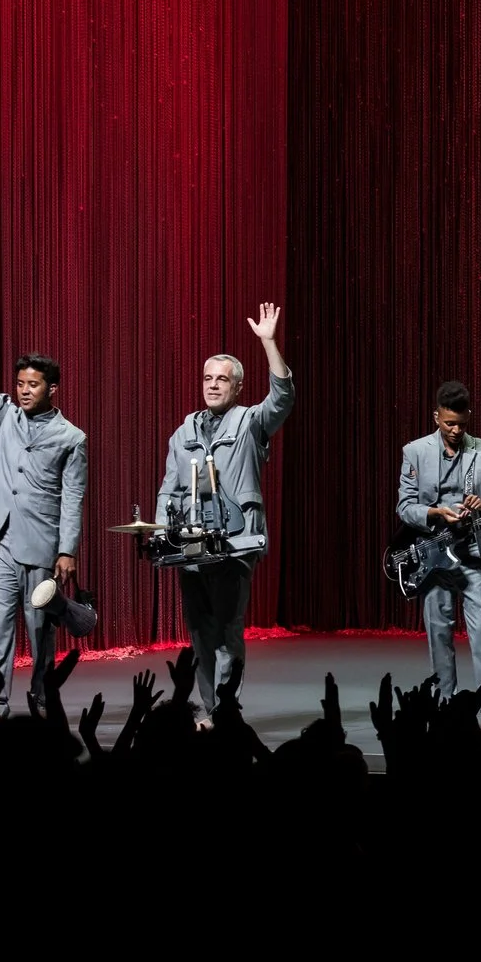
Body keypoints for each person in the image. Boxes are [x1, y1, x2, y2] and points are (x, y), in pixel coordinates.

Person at [0, 294, 88, 718]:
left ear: (52, 389)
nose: (24, 391)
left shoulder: (71, 437)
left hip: (42, 545)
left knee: (40, 627)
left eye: (33, 385)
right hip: (0, 538)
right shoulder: (4, 414)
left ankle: (43, 698)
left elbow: (74, 496)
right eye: (20, 384)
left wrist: (67, 549)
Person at [152, 304, 294, 717]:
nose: (213, 386)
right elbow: (168, 487)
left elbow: (282, 397)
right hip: (191, 547)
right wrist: (162, 530)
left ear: (238, 387)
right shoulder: (184, 432)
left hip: (235, 544)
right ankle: (207, 708)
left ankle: (225, 712)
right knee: (199, 631)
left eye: (222, 380)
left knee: (228, 629)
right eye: (208, 378)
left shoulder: (250, 422)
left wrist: (268, 343)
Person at [397, 380, 481, 737]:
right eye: (449, 423)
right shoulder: (414, 451)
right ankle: (444, 706)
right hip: (434, 557)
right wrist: (436, 513)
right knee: (439, 631)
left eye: (462, 424)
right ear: (437, 417)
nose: (456, 430)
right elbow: (405, 508)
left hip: (475, 556)